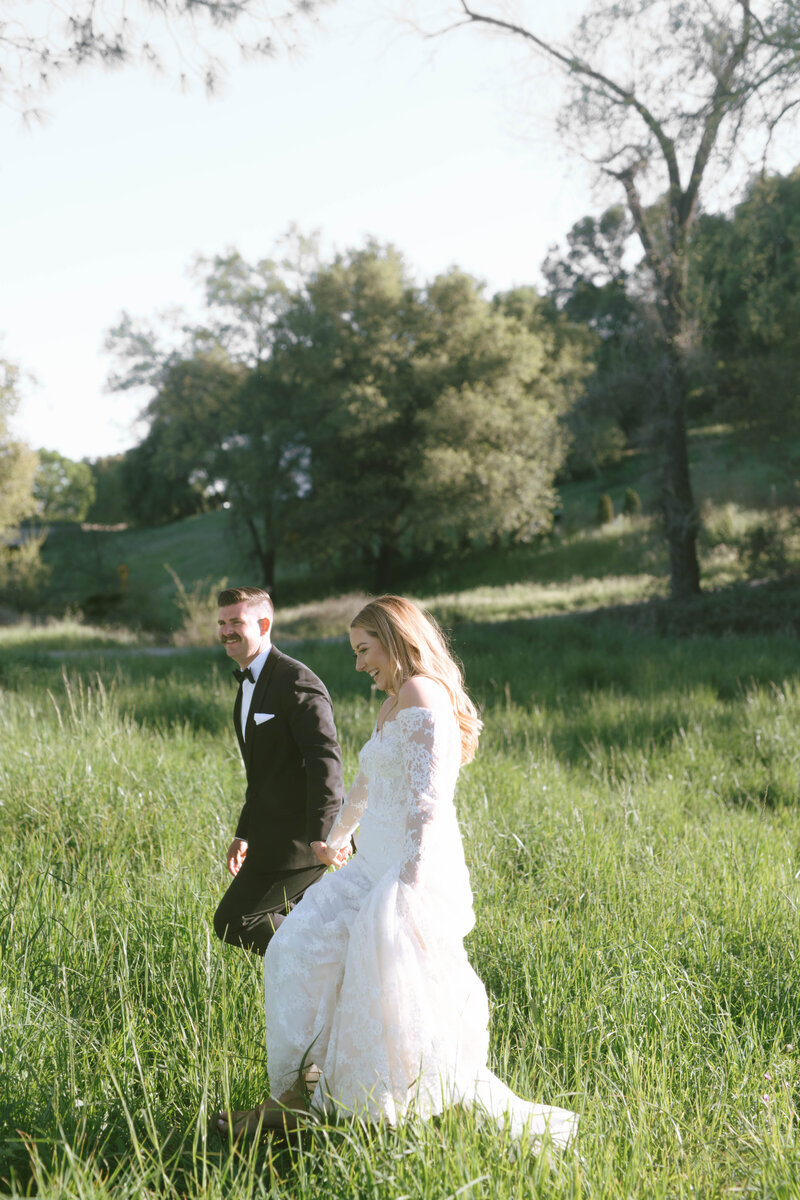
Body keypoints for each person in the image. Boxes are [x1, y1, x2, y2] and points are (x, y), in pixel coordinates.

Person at [218, 595, 578, 1148]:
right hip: (368, 866)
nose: (360, 664)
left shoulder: (421, 694)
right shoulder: (393, 703)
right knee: (296, 952)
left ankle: (368, 1111)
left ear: (395, 639)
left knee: (387, 996)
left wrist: (406, 886)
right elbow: (365, 784)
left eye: (365, 650)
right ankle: (298, 1095)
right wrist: (333, 841)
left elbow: (429, 801)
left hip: (405, 873)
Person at [213, 585, 344, 956]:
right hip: (269, 837)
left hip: (301, 842)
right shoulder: (248, 683)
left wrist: (323, 835)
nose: (226, 631)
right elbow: (264, 774)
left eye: (235, 621)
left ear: (264, 623)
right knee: (292, 926)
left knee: (235, 921)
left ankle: (335, 956)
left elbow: (324, 759)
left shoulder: (295, 681)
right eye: (222, 622)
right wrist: (245, 832)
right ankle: (323, 994)